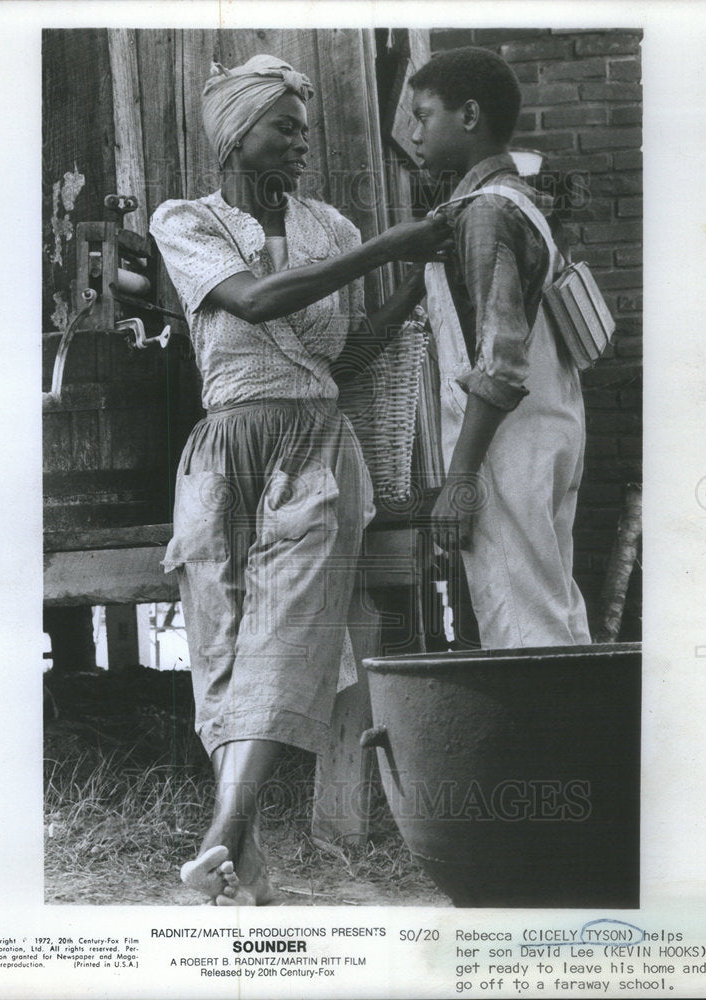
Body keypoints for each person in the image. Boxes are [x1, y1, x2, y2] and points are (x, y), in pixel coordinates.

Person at [149, 54, 449, 905]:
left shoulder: (333, 231)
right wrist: (395, 246)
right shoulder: (188, 222)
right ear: (238, 135)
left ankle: (215, 843)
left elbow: (339, 356)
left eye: (306, 131)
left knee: (286, 633)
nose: (302, 145)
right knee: (219, 645)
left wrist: (411, 290)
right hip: (222, 452)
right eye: (286, 128)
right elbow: (253, 302)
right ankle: (240, 860)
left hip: (315, 446)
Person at [409, 46, 591, 649]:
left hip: (505, 445)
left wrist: (460, 480)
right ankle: (583, 739)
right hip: (552, 428)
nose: (413, 133)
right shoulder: (518, 201)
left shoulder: (486, 213)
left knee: (521, 623)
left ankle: (542, 745)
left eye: (422, 115)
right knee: (553, 603)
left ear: (468, 115)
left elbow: (503, 361)